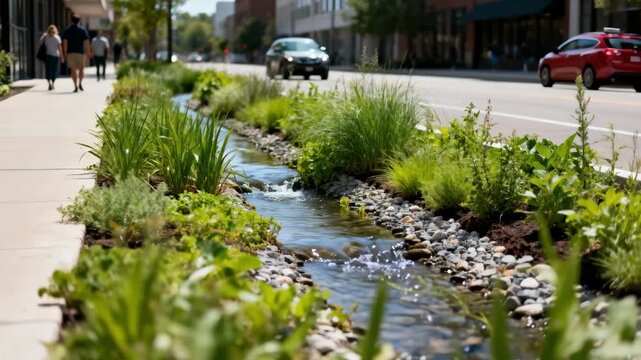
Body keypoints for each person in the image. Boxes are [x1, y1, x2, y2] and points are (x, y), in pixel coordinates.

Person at [62, 15, 92, 93]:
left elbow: (65, 42)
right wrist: (88, 53)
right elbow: (86, 42)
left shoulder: (67, 30)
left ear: (71, 21)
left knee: (73, 70)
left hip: (70, 53)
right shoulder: (82, 30)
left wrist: (65, 53)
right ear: (78, 21)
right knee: (81, 70)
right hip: (80, 53)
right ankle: (80, 83)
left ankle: (75, 86)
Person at [40, 25, 64, 90]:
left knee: (48, 70)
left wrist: (44, 35)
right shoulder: (57, 37)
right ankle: (53, 82)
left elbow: (40, 42)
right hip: (55, 56)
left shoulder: (45, 37)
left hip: (47, 56)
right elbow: (60, 49)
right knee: (54, 70)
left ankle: (49, 83)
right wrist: (62, 57)